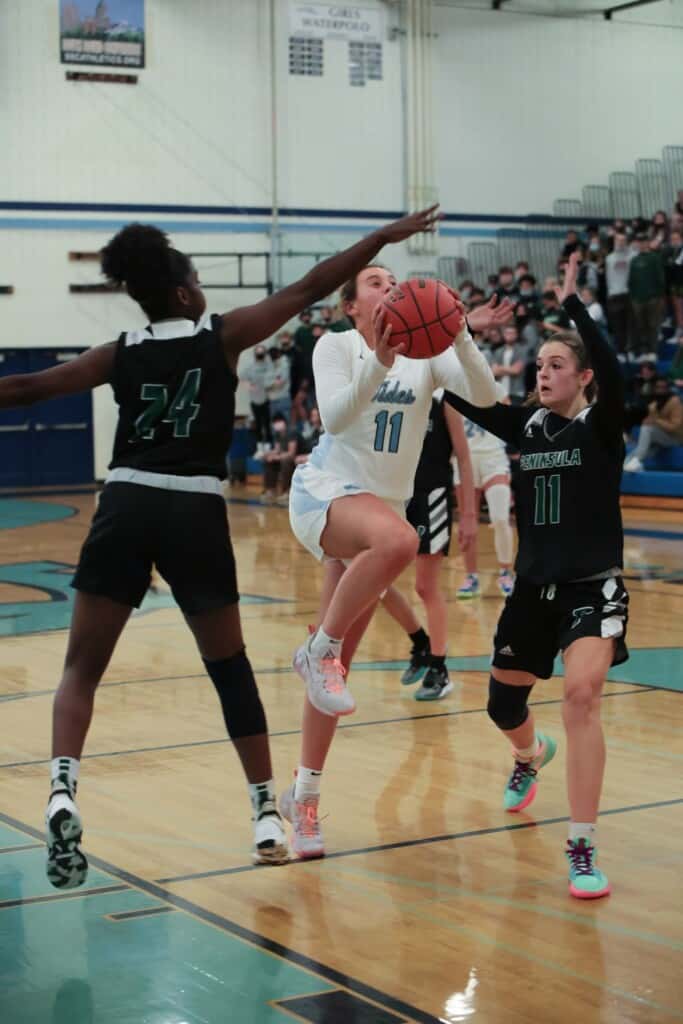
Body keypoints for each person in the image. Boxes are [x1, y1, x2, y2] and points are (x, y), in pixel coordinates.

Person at [0, 209, 441, 888]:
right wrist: (379, 238)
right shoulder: (219, 334)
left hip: (125, 502)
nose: (202, 285)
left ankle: (62, 790)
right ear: (182, 292)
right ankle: (267, 812)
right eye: (196, 277)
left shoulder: (118, 349)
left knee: (80, 671)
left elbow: (28, 388)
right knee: (228, 665)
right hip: (193, 509)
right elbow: (309, 287)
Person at [282, 265, 509, 858]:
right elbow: (332, 418)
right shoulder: (335, 345)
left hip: (377, 513)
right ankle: (318, 649)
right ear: (353, 304)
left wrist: (459, 333)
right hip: (326, 494)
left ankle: (303, 799)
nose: (388, 285)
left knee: (335, 680)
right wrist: (379, 362)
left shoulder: (427, 356)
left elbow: (486, 398)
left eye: (392, 280)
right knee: (403, 542)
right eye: (374, 281)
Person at [444, 250, 629, 900]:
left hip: (592, 586)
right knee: (502, 704)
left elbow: (613, 369)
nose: (542, 372)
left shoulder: (603, 427)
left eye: (556, 365)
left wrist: (573, 302)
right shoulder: (524, 424)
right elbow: (461, 391)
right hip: (532, 589)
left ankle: (580, 843)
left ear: (581, 377)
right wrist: (455, 330)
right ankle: (528, 755)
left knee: (581, 697)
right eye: (538, 364)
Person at [380, 390, 478, 700]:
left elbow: (463, 456)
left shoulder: (445, 397)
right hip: (395, 495)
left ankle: (439, 668)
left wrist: (469, 513)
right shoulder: (395, 388)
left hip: (431, 495)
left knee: (425, 587)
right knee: (374, 581)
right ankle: (420, 641)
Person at [455, 384, 514, 600]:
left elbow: (510, 420)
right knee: (466, 522)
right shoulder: (452, 387)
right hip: (464, 461)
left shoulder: (495, 388)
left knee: (500, 518)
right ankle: (471, 577)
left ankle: (506, 573)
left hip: (493, 458)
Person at [623, 377, 683, 472]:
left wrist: (655, 421)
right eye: (658, 387)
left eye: (663, 387)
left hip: (676, 438)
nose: (660, 389)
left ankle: (637, 460)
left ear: (668, 388)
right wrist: (648, 420)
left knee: (647, 429)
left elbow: (675, 427)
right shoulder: (654, 403)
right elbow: (652, 420)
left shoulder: (675, 402)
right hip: (661, 437)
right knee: (651, 447)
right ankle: (628, 461)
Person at [628, 233, 666, 357]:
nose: (642, 244)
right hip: (637, 300)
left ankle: (653, 351)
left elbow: (661, 278)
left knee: (653, 325)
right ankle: (644, 351)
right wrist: (633, 297)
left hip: (653, 299)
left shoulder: (655, 258)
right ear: (637, 244)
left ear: (647, 243)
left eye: (644, 241)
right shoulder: (634, 260)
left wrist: (659, 297)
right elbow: (631, 280)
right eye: (639, 242)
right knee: (640, 326)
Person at [261, 412, 303, 505]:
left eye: (278, 421)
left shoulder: (292, 432)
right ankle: (271, 490)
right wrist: (268, 454)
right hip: (285, 456)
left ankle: (286, 491)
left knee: (285, 461)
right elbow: (277, 449)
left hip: (298, 456)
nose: (276, 424)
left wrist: (277, 457)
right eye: (275, 422)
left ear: (284, 422)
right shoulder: (277, 434)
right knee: (268, 460)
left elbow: (291, 453)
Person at [605, 231, 633, 354]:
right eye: (618, 240)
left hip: (628, 294)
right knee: (618, 327)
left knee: (631, 325)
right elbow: (608, 277)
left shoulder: (632, 256)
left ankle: (631, 350)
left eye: (623, 240)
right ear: (615, 242)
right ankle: (621, 351)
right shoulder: (609, 258)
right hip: (614, 296)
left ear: (626, 242)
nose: (621, 243)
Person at [241, 344, 272, 456]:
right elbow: (242, 378)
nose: (260, 354)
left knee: (267, 423)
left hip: (267, 399)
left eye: (262, 352)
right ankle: (260, 448)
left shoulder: (269, 366)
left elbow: (274, 378)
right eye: (258, 352)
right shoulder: (250, 367)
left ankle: (268, 447)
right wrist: (249, 386)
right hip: (255, 400)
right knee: (258, 424)